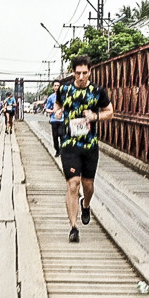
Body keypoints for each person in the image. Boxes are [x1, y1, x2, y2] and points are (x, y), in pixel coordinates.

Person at [54, 55, 112, 243]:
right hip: (69, 145)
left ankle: (85, 205)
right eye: (78, 73)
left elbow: (110, 112)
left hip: (89, 145)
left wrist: (95, 116)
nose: (81, 76)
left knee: (88, 185)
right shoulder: (64, 90)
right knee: (73, 184)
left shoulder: (98, 92)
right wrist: (58, 111)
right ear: (73, 72)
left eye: (84, 73)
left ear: (90, 72)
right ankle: (73, 227)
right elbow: (58, 103)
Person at [44, 79, 64, 156]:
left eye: (58, 86)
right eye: (55, 86)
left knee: (62, 135)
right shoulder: (51, 98)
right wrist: (52, 111)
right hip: (54, 120)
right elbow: (46, 109)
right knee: (55, 136)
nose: (56, 87)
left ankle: (62, 151)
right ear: (53, 87)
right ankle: (57, 150)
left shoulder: (64, 96)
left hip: (62, 119)